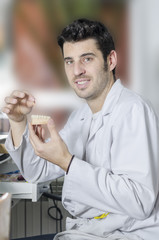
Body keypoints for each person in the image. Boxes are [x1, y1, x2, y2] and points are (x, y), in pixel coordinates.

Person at [2, 18, 159, 240]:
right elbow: (36, 172)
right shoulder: (82, 116)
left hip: (126, 235)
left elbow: (140, 202)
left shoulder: (132, 110)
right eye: (69, 61)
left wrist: (68, 162)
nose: (77, 71)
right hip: (90, 232)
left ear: (111, 60)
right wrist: (18, 121)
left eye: (87, 58)